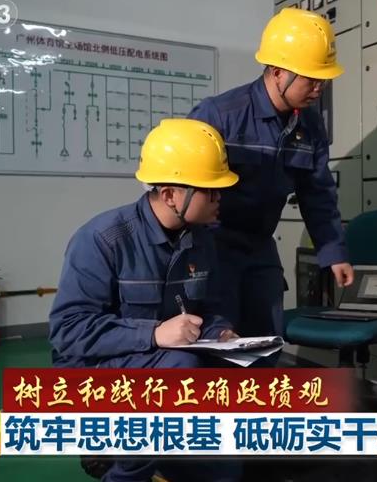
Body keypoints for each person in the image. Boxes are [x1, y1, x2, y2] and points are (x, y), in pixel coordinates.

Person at [49, 118, 242, 482]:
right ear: (170, 195)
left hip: (159, 363)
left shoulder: (203, 239)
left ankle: (163, 453)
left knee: (225, 471)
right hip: (92, 371)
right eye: (210, 191)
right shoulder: (103, 240)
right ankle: (122, 467)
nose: (220, 200)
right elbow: (68, 332)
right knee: (181, 367)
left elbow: (210, 307)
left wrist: (221, 333)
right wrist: (153, 333)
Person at [187, 8, 355, 345]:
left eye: (323, 80)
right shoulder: (220, 115)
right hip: (212, 246)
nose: (319, 88)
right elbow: (182, 187)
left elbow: (318, 193)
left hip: (260, 247)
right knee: (219, 344)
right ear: (278, 72)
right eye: (311, 79)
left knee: (266, 340)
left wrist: (333, 251)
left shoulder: (309, 125)